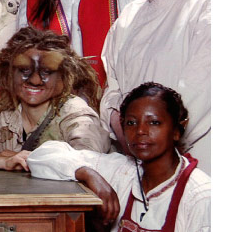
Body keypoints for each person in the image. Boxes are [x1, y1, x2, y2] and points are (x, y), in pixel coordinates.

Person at [100, 0, 210, 173]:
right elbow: (112, 88)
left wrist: (151, 138)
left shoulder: (206, 6)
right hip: (134, 157)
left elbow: (202, 94)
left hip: (192, 158)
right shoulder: (130, 15)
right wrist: (123, 129)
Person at [28, 83, 210, 232]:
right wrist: (88, 174)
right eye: (131, 123)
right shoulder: (122, 171)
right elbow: (42, 155)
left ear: (177, 130)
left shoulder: (200, 196)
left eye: (154, 122)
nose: (140, 131)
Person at [0, 27, 109, 171]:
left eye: (46, 71)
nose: (35, 80)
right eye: (24, 70)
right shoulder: (6, 116)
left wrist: (33, 159)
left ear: (62, 78)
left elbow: (88, 160)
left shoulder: (75, 113)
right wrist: (4, 161)